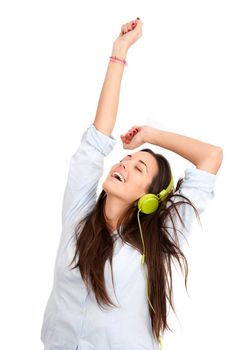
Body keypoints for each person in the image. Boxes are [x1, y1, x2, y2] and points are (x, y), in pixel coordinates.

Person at [40, 18, 223, 350]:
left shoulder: (159, 236)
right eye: (126, 159)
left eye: (139, 168)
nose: (124, 163)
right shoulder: (78, 213)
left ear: (149, 198)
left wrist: (151, 135)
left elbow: (211, 157)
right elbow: (97, 138)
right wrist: (119, 51)